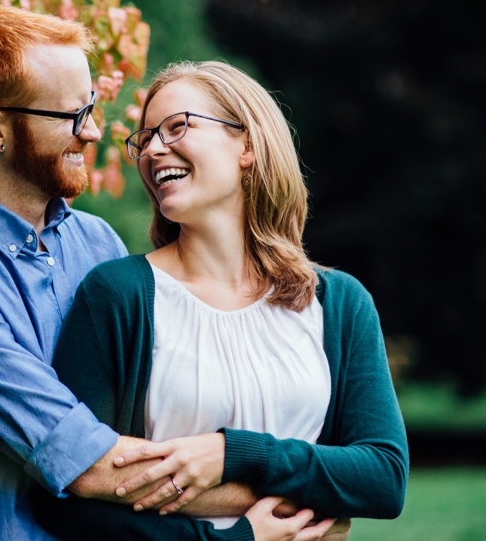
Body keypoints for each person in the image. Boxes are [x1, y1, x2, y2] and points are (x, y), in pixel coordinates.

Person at [0, 7, 326, 541]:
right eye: (72, 116)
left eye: (92, 107)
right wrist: (286, 498)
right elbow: (89, 462)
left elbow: (151, 420)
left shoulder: (97, 243)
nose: (94, 131)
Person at [33, 60, 409, 540]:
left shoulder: (339, 303)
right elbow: (65, 498)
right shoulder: (118, 294)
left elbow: (383, 478)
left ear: (248, 145)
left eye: (176, 127)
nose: (153, 149)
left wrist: (233, 454)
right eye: (144, 139)